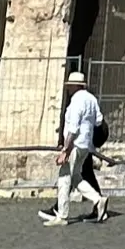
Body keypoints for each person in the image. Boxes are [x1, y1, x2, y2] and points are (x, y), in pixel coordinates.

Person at [41, 71, 107, 225]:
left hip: (75, 144)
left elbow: (73, 128)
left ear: (75, 86)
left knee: (64, 178)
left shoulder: (77, 100)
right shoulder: (91, 99)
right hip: (85, 144)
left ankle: (62, 216)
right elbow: (98, 121)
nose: (68, 89)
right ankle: (98, 199)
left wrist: (66, 149)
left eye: (70, 86)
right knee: (77, 177)